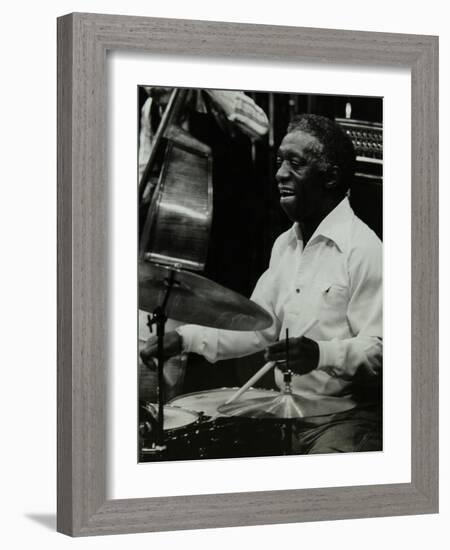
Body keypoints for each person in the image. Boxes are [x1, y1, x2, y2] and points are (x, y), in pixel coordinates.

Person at [141, 114, 383, 454]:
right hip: (288, 413)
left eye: (295, 163)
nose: (280, 173)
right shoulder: (285, 245)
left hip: (346, 421)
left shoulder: (365, 249)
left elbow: (382, 351)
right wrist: (184, 338)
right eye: (280, 160)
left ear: (330, 176)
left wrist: (320, 353)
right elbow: (259, 328)